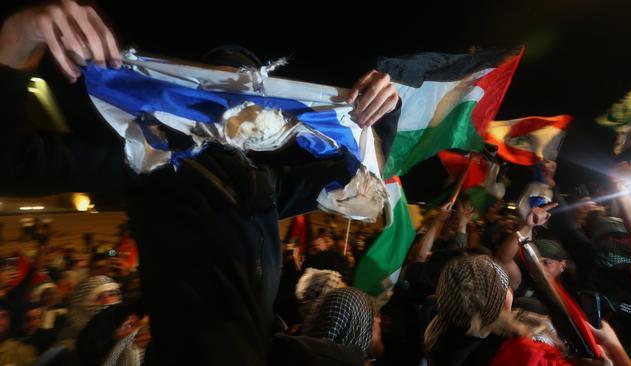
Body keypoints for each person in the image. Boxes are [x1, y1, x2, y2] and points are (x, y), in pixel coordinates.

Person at [0, 1, 401, 364]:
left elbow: (359, 175)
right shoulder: (150, 163)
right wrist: (21, 36)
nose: (233, 106)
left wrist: (381, 112)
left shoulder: (266, 186)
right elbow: (15, 159)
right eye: (217, 90)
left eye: (249, 94)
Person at [424, 255, 631, 366]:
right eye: (503, 284)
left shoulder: (443, 335)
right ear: (496, 301)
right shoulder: (522, 354)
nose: (509, 288)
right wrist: (613, 345)